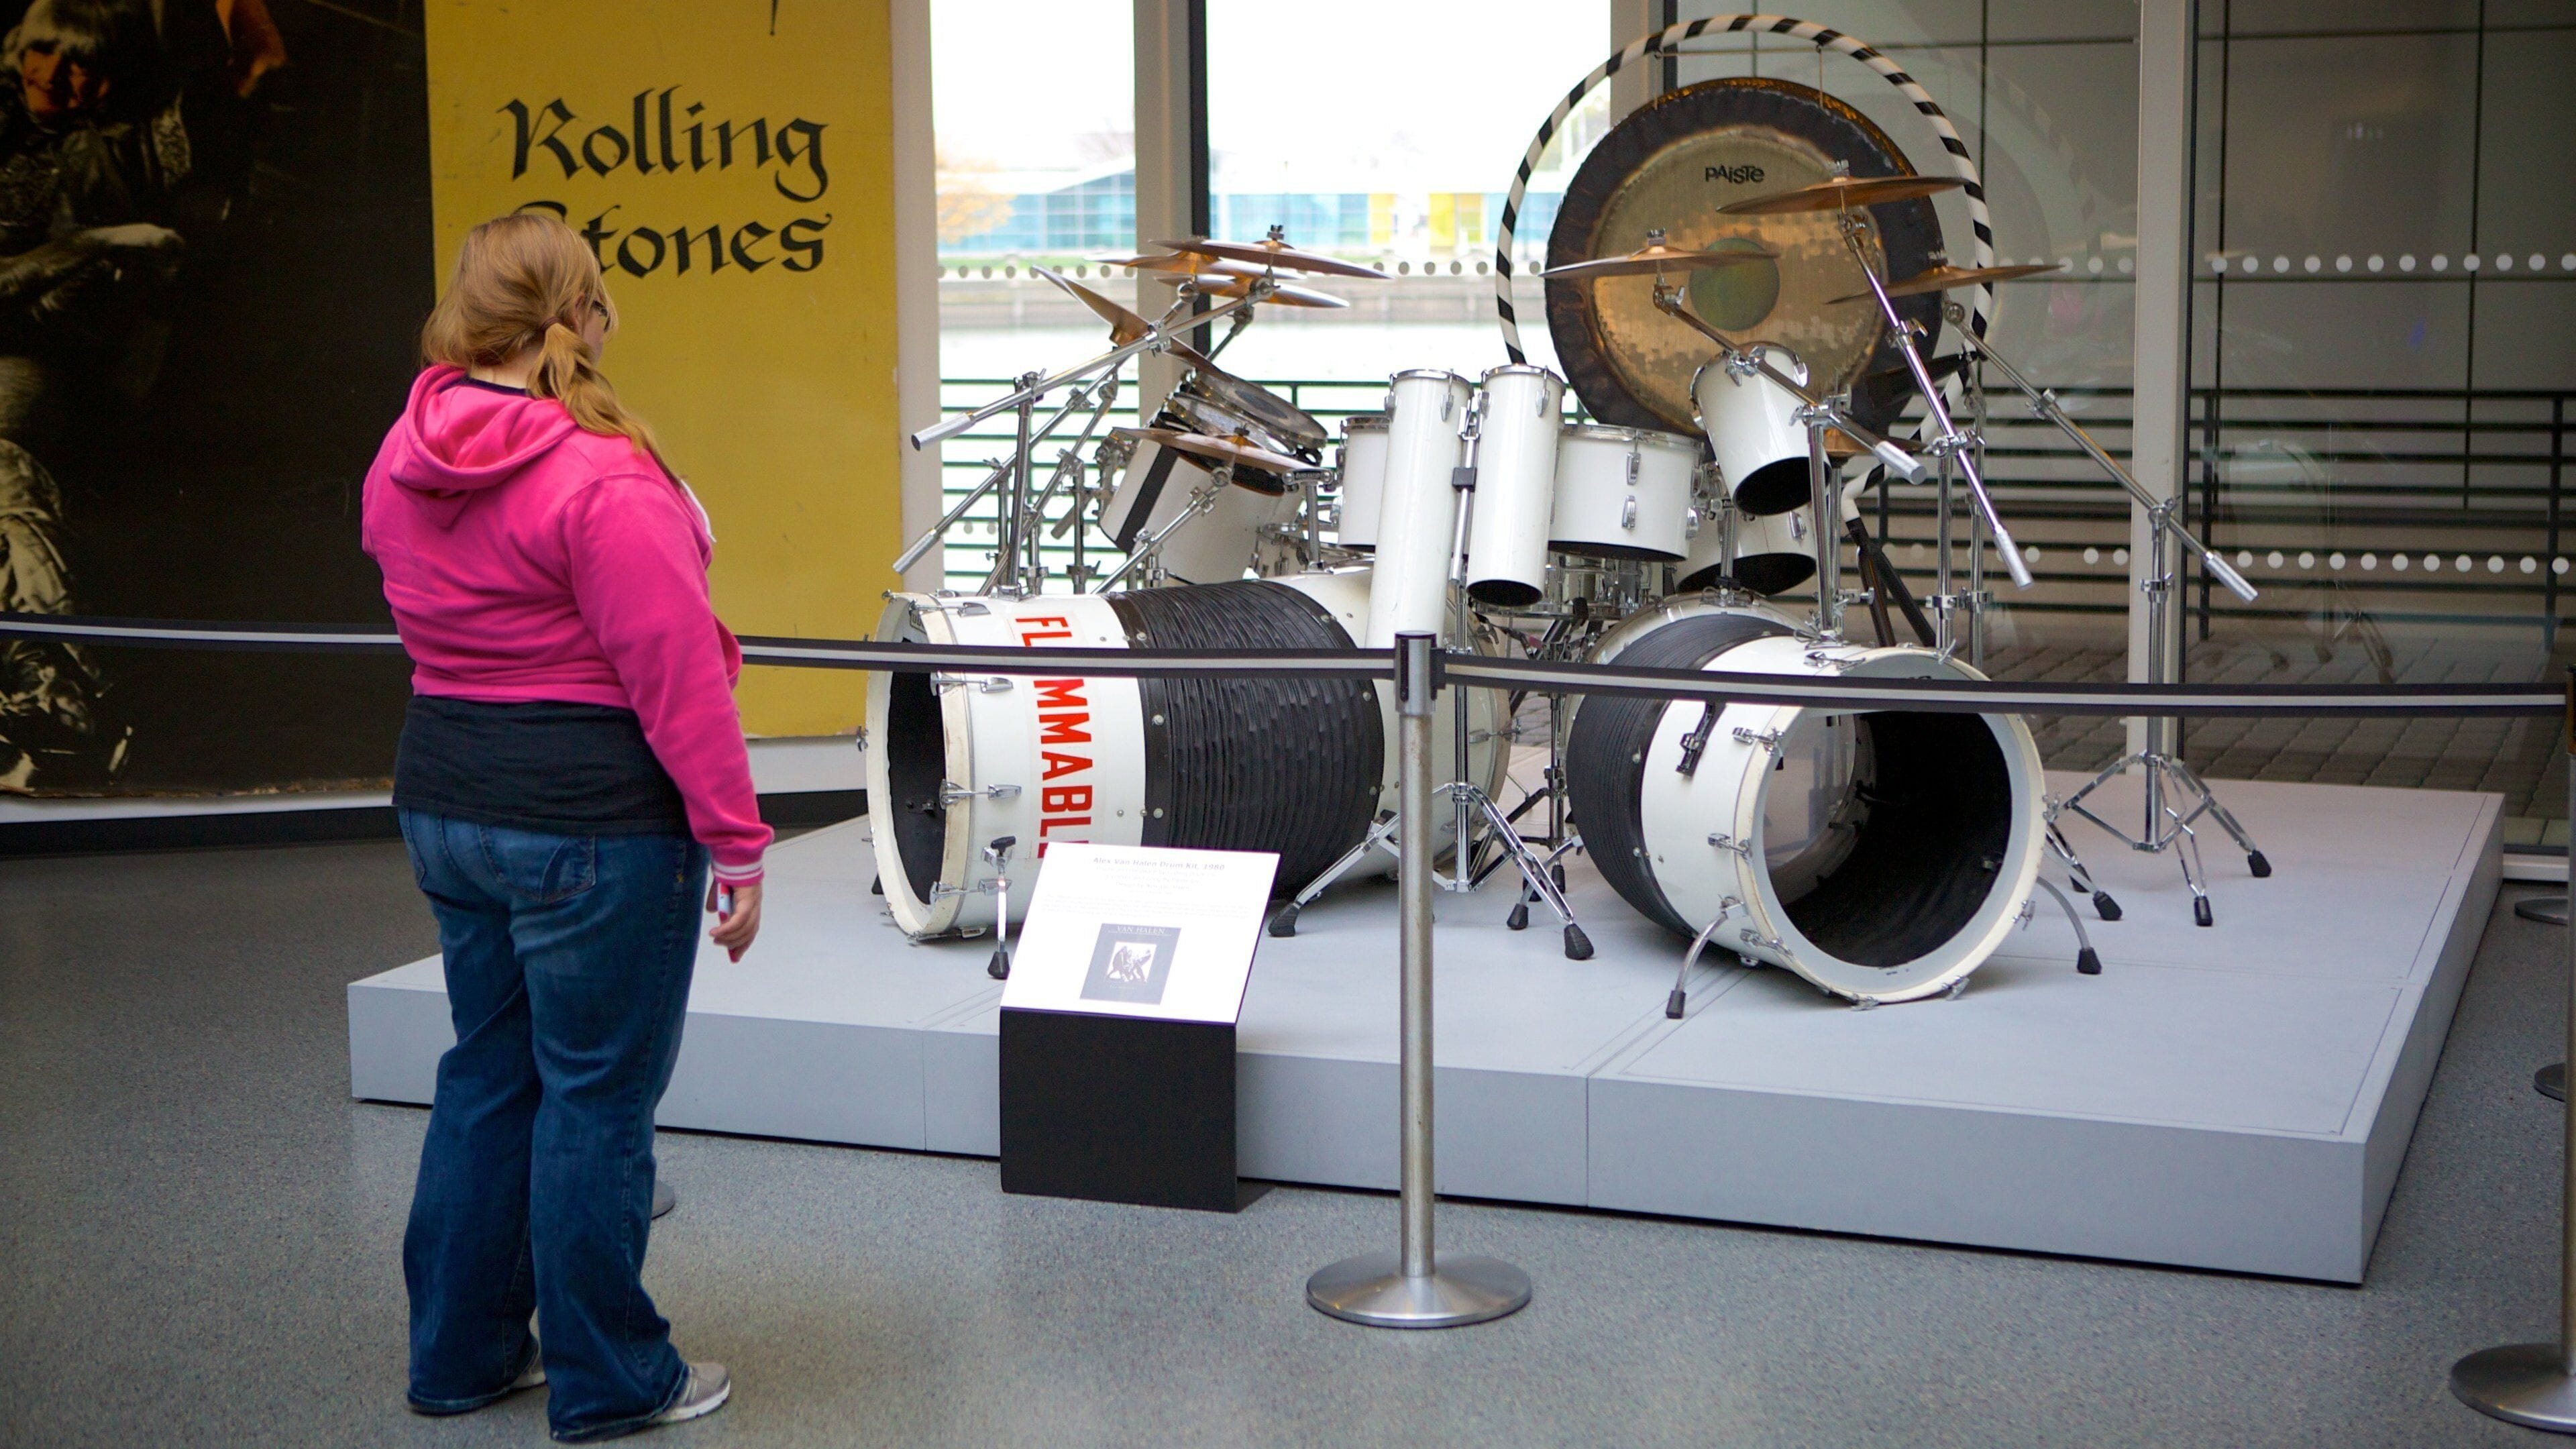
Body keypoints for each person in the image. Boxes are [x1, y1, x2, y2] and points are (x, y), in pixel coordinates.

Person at [363, 211, 769, 1440]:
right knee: (597, 1099)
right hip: (593, 824)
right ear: (582, 315)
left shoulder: (403, 446)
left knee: (488, 1077)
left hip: (446, 800)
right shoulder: (601, 471)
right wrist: (740, 843)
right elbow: (676, 677)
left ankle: (461, 1356)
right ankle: (611, 1379)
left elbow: (423, 612)